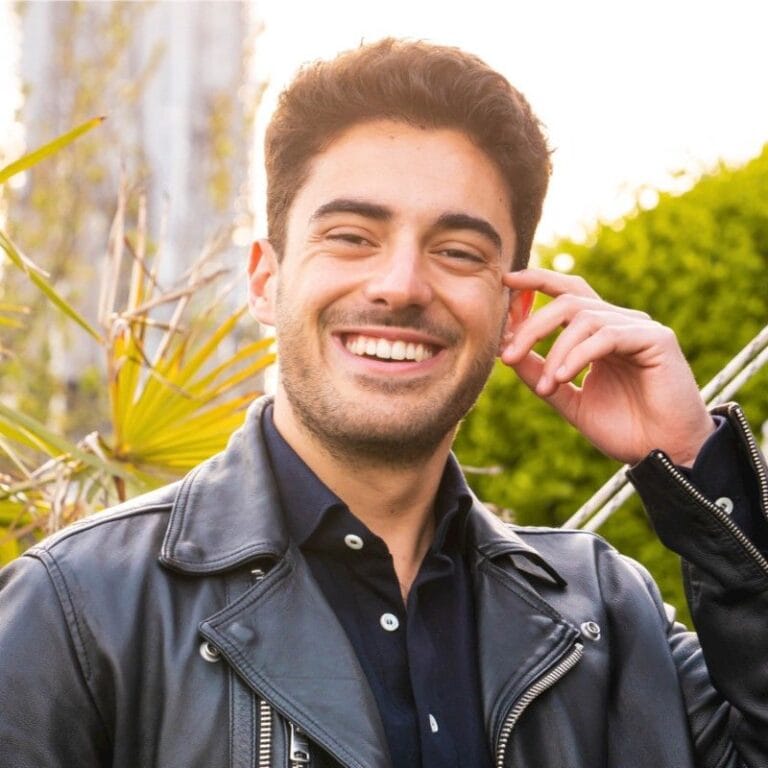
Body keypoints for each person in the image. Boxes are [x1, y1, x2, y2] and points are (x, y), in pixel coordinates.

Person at [1, 38, 767, 768]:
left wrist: (695, 459)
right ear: (266, 279)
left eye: (457, 251)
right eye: (352, 236)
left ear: (512, 311)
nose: (401, 285)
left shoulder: (608, 615)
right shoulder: (78, 609)